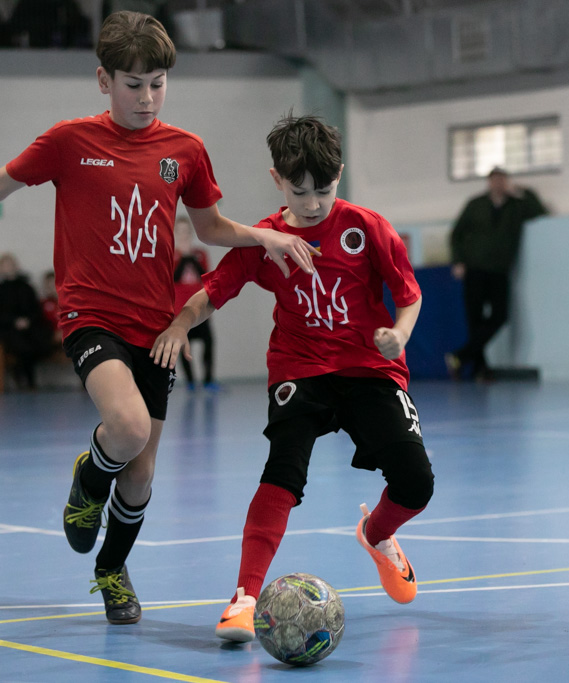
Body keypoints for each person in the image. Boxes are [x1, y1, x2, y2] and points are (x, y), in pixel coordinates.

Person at [0, 11, 317, 625]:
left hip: (155, 325)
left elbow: (209, 228)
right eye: (133, 84)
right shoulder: (70, 142)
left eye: (157, 84)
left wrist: (265, 235)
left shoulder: (185, 151)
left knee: (141, 475)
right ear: (104, 81)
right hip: (90, 315)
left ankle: (110, 569)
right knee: (127, 428)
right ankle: (89, 479)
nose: (147, 97)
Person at [152, 114, 435, 643]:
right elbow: (214, 289)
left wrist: (399, 334)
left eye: (323, 191)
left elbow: (410, 294)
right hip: (299, 368)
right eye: (299, 191)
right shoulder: (266, 238)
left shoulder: (366, 227)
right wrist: (180, 323)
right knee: (282, 472)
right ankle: (244, 598)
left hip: (369, 368)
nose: (313, 204)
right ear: (277, 179)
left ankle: (377, 534)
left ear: (339, 175)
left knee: (417, 483)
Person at [445, 167, 547, 381]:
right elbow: (457, 233)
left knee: (500, 316)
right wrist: (458, 260)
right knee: (475, 319)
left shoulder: (516, 206)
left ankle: (460, 356)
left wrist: (524, 191)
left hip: (499, 269)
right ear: (489, 182)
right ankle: (480, 369)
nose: (499, 184)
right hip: (474, 268)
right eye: (495, 180)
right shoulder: (476, 205)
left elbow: (540, 211)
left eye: (502, 180)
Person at [0, 253, 48, 390]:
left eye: (10, 265)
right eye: (5, 265)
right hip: (6, 328)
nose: (8, 268)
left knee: (39, 338)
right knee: (18, 343)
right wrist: (14, 322)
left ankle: (29, 378)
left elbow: (36, 309)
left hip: (29, 326)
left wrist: (27, 321)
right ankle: (23, 377)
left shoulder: (26, 287)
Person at [172, 215, 217, 390]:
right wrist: (184, 257)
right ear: (176, 233)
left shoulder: (200, 254)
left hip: (200, 308)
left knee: (208, 342)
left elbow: (205, 276)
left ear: (190, 233)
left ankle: (208, 380)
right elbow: (175, 278)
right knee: (184, 347)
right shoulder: (172, 255)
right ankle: (190, 382)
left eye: (186, 231)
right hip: (181, 310)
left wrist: (191, 256)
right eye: (180, 231)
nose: (183, 235)